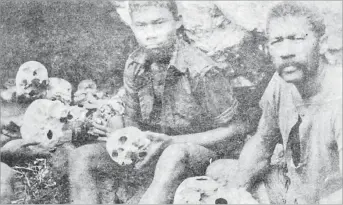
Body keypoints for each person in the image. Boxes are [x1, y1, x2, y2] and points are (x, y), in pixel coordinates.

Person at [68, 0, 257, 204]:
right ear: (132, 26)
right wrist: (123, 137)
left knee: (173, 154)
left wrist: (172, 141)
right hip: (153, 149)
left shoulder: (200, 71)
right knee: (81, 157)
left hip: (198, 153)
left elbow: (236, 129)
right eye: (141, 26)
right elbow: (132, 121)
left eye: (158, 23)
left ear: (177, 22)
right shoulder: (135, 64)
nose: (150, 33)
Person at [206, 2, 342, 204]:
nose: (286, 52)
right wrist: (234, 191)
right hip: (294, 188)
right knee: (218, 172)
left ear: (322, 44)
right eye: (277, 41)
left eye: (296, 39)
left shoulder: (338, 99)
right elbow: (262, 142)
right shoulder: (281, 83)